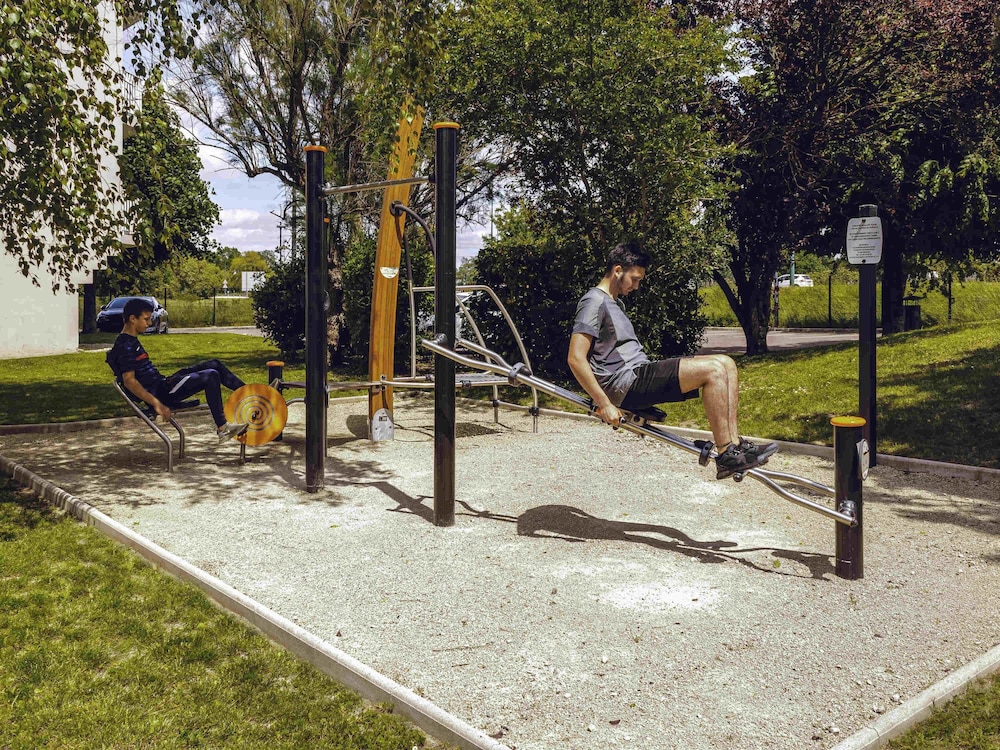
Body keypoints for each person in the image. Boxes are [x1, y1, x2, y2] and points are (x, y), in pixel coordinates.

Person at [567, 241, 778, 479]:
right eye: (634, 279)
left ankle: (734, 446)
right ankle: (726, 452)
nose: (636, 286)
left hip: (636, 374)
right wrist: (604, 404)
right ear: (618, 270)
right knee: (714, 370)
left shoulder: (616, 303)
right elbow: (576, 358)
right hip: (624, 382)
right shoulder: (594, 301)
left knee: (726, 364)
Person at [106, 297, 249, 442]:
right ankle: (223, 429)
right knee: (210, 376)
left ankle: (251, 393)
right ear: (132, 319)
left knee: (214, 364)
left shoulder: (130, 341)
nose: (149, 323)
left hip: (164, 384)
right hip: (162, 394)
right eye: (146, 319)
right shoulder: (125, 346)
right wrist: (158, 405)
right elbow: (129, 381)